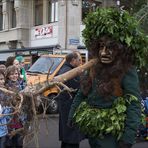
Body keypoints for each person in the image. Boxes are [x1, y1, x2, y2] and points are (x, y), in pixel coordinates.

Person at [68, 8, 147, 148]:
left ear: (119, 49)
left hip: (113, 136)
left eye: (109, 47)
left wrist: (128, 138)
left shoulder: (126, 71)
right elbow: (82, 93)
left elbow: (134, 104)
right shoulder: (94, 68)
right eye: (101, 47)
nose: (103, 52)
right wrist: (72, 115)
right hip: (94, 132)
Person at [57, 51, 85, 148]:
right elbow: (79, 89)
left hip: (66, 106)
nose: (81, 62)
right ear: (73, 60)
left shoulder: (64, 69)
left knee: (66, 136)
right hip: (69, 108)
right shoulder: (70, 72)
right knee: (72, 137)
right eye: (79, 60)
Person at [5, 65, 24, 148]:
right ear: (8, 76)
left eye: (16, 73)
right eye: (12, 74)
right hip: (10, 117)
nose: (14, 76)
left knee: (19, 141)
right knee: (11, 141)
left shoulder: (21, 85)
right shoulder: (5, 86)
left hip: (20, 117)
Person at [0, 69, 11, 148]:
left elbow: (9, 108)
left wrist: (4, 113)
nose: (1, 81)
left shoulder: (6, 92)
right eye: (0, 79)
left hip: (3, 129)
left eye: (2, 79)